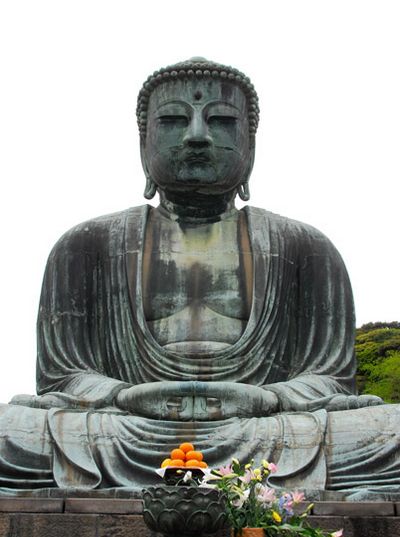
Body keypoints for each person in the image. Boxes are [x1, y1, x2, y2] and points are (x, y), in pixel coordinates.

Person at [1, 58, 399, 497]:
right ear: (143, 143)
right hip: (125, 428)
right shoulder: (87, 245)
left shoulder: (305, 247)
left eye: (222, 121)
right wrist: (125, 396)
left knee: (390, 431)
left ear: (251, 144)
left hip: (264, 428)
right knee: (11, 431)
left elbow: (330, 379)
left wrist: (266, 399)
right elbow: (63, 377)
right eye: (172, 120)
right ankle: (262, 488)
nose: (196, 135)